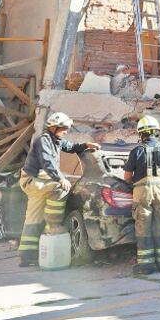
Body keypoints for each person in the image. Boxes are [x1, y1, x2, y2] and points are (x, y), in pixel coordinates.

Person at [18, 112, 100, 267]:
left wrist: (85, 146)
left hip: (37, 180)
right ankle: (53, 224)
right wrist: (61, 179)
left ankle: (27, 256)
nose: (66, 131)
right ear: (54, 127)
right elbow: (47, 162)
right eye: (64, 128)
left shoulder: (55, 139)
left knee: (33, 218)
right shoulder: (43, 141)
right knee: (61, 188)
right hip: (34, 179)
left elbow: (69, 147)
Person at [123, 115, 160, 274]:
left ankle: (146, 266)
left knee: (143, 227)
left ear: (141, 133)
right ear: (156, 132)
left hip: (142, 191)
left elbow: (127, 177)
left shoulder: (136, 151)